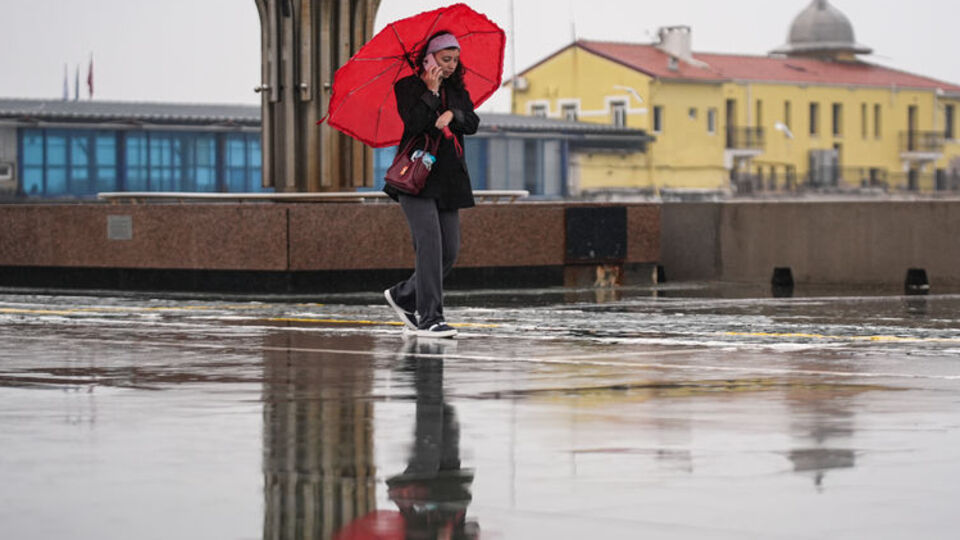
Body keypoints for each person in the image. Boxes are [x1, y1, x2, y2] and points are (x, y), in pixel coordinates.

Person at [383, 31, 479, 339]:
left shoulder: (457, 89)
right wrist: (432, 90)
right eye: (445, 59)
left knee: (449, 251)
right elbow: (414, 123)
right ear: (429, 58)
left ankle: (404, 294)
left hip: (449, 180)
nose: (450, 66)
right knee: (430, 246)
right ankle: (430, 317)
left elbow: (472, 123)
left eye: (455, 60)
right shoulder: (408, 86)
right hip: (416, 179)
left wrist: (453, 113)